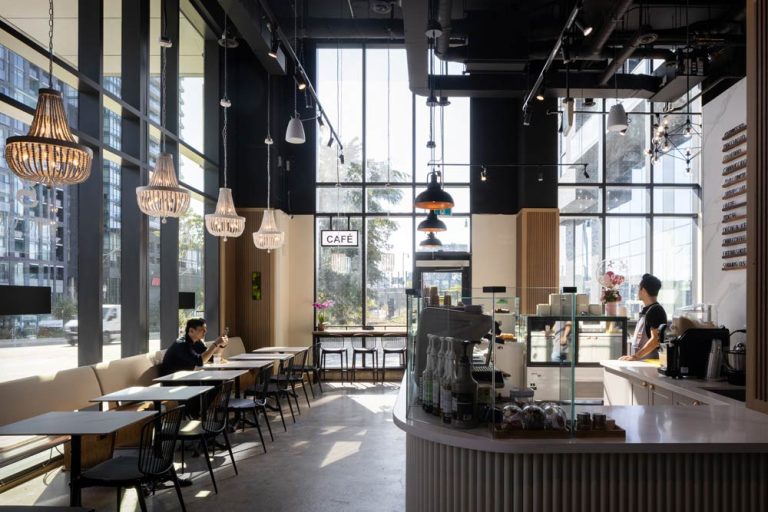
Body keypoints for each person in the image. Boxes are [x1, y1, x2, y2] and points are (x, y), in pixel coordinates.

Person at [619, 273, 667, 361]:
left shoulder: (656, 311)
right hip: (643, 362)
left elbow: (656, 340)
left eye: (638, 289)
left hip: (651, 365)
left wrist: (636, 357)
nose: (637, 292)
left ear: (643, 290)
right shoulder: (647, 310)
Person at [160, 318, 229, 375]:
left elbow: (211, 357)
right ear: (191, 330)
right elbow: (200, 361)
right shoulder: (182, 344)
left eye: (205, 329)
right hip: (172, 380)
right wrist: (215, 344)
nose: (205, 332)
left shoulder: (197, 342)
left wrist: (221, 345)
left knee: (216, 379)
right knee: (213, 379)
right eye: (202, 330)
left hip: (185, 376)